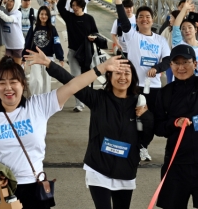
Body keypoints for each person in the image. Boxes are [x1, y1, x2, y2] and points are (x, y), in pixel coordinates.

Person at [0, 52, 129, 209]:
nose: (8, 88)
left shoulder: (39, 105)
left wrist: (102, 68)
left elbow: (73, 85)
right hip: (1, 189)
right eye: (2, 83)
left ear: (22, 84)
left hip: (34, 187)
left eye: (13, 82)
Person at [44, 53, 153, 209]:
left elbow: (145, 139)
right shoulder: (98, 98)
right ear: (109, 76)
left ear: (133, 77)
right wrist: (49, 64)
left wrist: (147, 117)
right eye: (118, 73)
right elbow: (72, 82)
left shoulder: (139, 103)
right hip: (98, 169)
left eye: (127, 73)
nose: (123, 77)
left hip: (126, 170)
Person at [108, 0, 170, 162]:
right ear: (137, 20)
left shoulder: (160, 40)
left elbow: (167, 60)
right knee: (130, 119)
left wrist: (157, 68)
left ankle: (142, 147)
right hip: (134, 86)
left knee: (151, 121)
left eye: (148, 17)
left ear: (153, 20)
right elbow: (122, 18)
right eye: (141, 17)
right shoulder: (132, 35)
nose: (144, 19)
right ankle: (129, 146)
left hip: (154, 88)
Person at [154, 44, 198, 209]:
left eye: (185, 62)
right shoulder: (165, 92)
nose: (181, 67)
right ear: (170, 66)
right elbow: (158, 128)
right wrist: (174, 123)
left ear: (195, 63)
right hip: (175, 163)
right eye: (176, 63)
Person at [57, 0, 99, 112]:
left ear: (82, 6)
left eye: (77, 5)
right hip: (74, 52)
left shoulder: (89, 18)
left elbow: (95, 32)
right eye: (73, 5)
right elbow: (60, 7)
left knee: (87, 77)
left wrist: (93, 37)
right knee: (76, 78)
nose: (75, 8)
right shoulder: (69, 17)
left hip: (87, 52)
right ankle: (79, 104)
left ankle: (88, 98)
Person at [24, 6, 64, 96]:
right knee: (37, 80)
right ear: (38, 15)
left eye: (46, 14)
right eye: (42, 14)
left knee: (46, 81)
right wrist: (24, 56)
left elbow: (56, 43)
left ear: (48, 16)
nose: (43, 16)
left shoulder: (52, 29)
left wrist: (60, 57)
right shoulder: (34, 27)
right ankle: (35, 99)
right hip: (35, 57)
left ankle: (45, 100)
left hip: (48, 58)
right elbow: (28, 42)